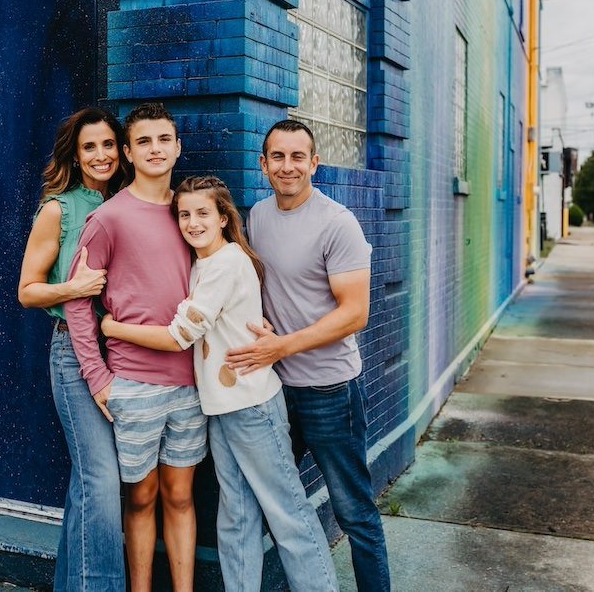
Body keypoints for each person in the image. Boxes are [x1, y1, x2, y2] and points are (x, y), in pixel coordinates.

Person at [100, 175, 339, 592]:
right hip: (221, 409)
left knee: (287, 513)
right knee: (236, 517)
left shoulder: (226, 263)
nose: (192, 222)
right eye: (184, 214)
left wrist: (112, 327)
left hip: (251, 407)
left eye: (203, 213)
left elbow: (178, 336)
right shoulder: (204, 263)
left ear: (224, 218)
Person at [225, 119, 391, 591]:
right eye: (277, 156)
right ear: (263, 164)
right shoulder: (256, 216)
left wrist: (282, 345)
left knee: (353, 511)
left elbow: (355, 313)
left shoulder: (337, 223)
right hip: (273, 391)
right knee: (261, 502)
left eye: (298, 157)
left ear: (314, 163)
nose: (288, 166)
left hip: (328, 391)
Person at [64, 102, 206, 592]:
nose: (155, 149)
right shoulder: (108, 218)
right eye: (143, 142)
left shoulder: (191, 213)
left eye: (163, 139)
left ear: (177, 146)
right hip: (134, 383)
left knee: (181, 497)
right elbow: (78, 304)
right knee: (140, 498)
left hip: (190, 384)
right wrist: (97, 377)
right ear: (128, 152)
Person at [18, 107, 131, 592]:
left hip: (121, 355)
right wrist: (75, 287)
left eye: (108, 144)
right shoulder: (58, 209)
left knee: (88, 483)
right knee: (102, 482)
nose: (101, 155)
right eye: (90, 147)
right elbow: (28, 290)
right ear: (75, 154)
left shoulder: (126, 203)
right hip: (72, 358)